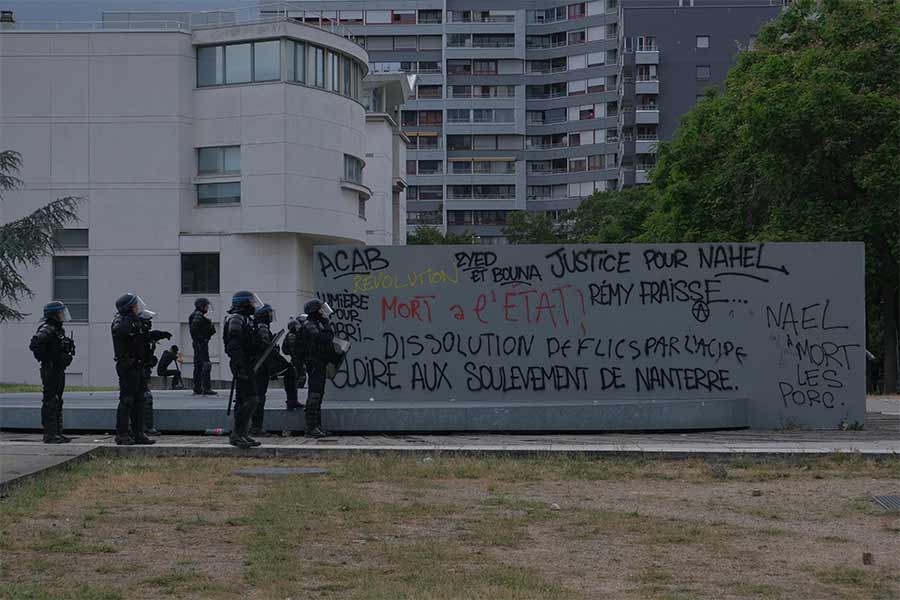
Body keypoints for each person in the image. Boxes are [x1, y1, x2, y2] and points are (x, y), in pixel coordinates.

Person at [111, 293, 170, 445]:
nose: (138, 307)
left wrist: (158, 334)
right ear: (129, 307)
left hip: (139, 366)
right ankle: (122, 434)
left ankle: (139, 434)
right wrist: (130, 317)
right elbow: (121, 332)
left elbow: (142, 337)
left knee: (140, 401)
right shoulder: (120, 320)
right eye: (135, 305)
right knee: (127, 400)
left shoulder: (135, 321)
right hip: (128, 367)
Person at [29, 301, 76, 444]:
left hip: (58, 369)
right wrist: (51, 357)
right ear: (54, 314)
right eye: (61, 312)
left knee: (57, 400)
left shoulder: (57, 329)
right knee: (51, 401)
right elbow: (35, 344)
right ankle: (50, 434)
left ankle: (57, 433)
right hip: (50, 369)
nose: (63, 315)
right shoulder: (48, 328)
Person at [224, 291, 265, 448]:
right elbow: (233, 344)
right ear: (243, 304)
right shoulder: (236, 318)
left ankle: (243, 433)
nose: (254, 306)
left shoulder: (247, 319)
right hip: (241, 363)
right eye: (251, 303)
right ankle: (237, 434)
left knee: (245, 399)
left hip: (247, 363)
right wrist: (239, 363)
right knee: (250, 399)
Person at [300, 299, 336, 438]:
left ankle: (317, 426)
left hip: (320, 362)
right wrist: (327, 326)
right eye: (321, 309)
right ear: (315, 311)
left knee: (319, 394)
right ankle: (311, 427)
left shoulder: (317, 323)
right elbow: (324, 338)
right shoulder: (310, 324)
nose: (324, 311)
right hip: (314, 363)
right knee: (314, 394)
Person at [189, 298, 217, 396]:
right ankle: (206, 388)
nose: (207, 308)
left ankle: (197, 387)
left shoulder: (197, 315)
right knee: (205, 364)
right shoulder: (198, 315)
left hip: (198, 343)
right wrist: (203, 339)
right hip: (201, 344)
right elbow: (195, 329)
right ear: (201, 306)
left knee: (198, 365)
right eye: (206, 305)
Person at [282, 315, 307, 412]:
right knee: (296, 379)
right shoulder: (293, 335)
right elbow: (294, 350)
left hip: (296, 360)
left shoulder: (294, 334)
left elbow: (285, 350)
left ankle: (293, 401)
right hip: (297, 360)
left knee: (295, 379)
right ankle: (292, 401)